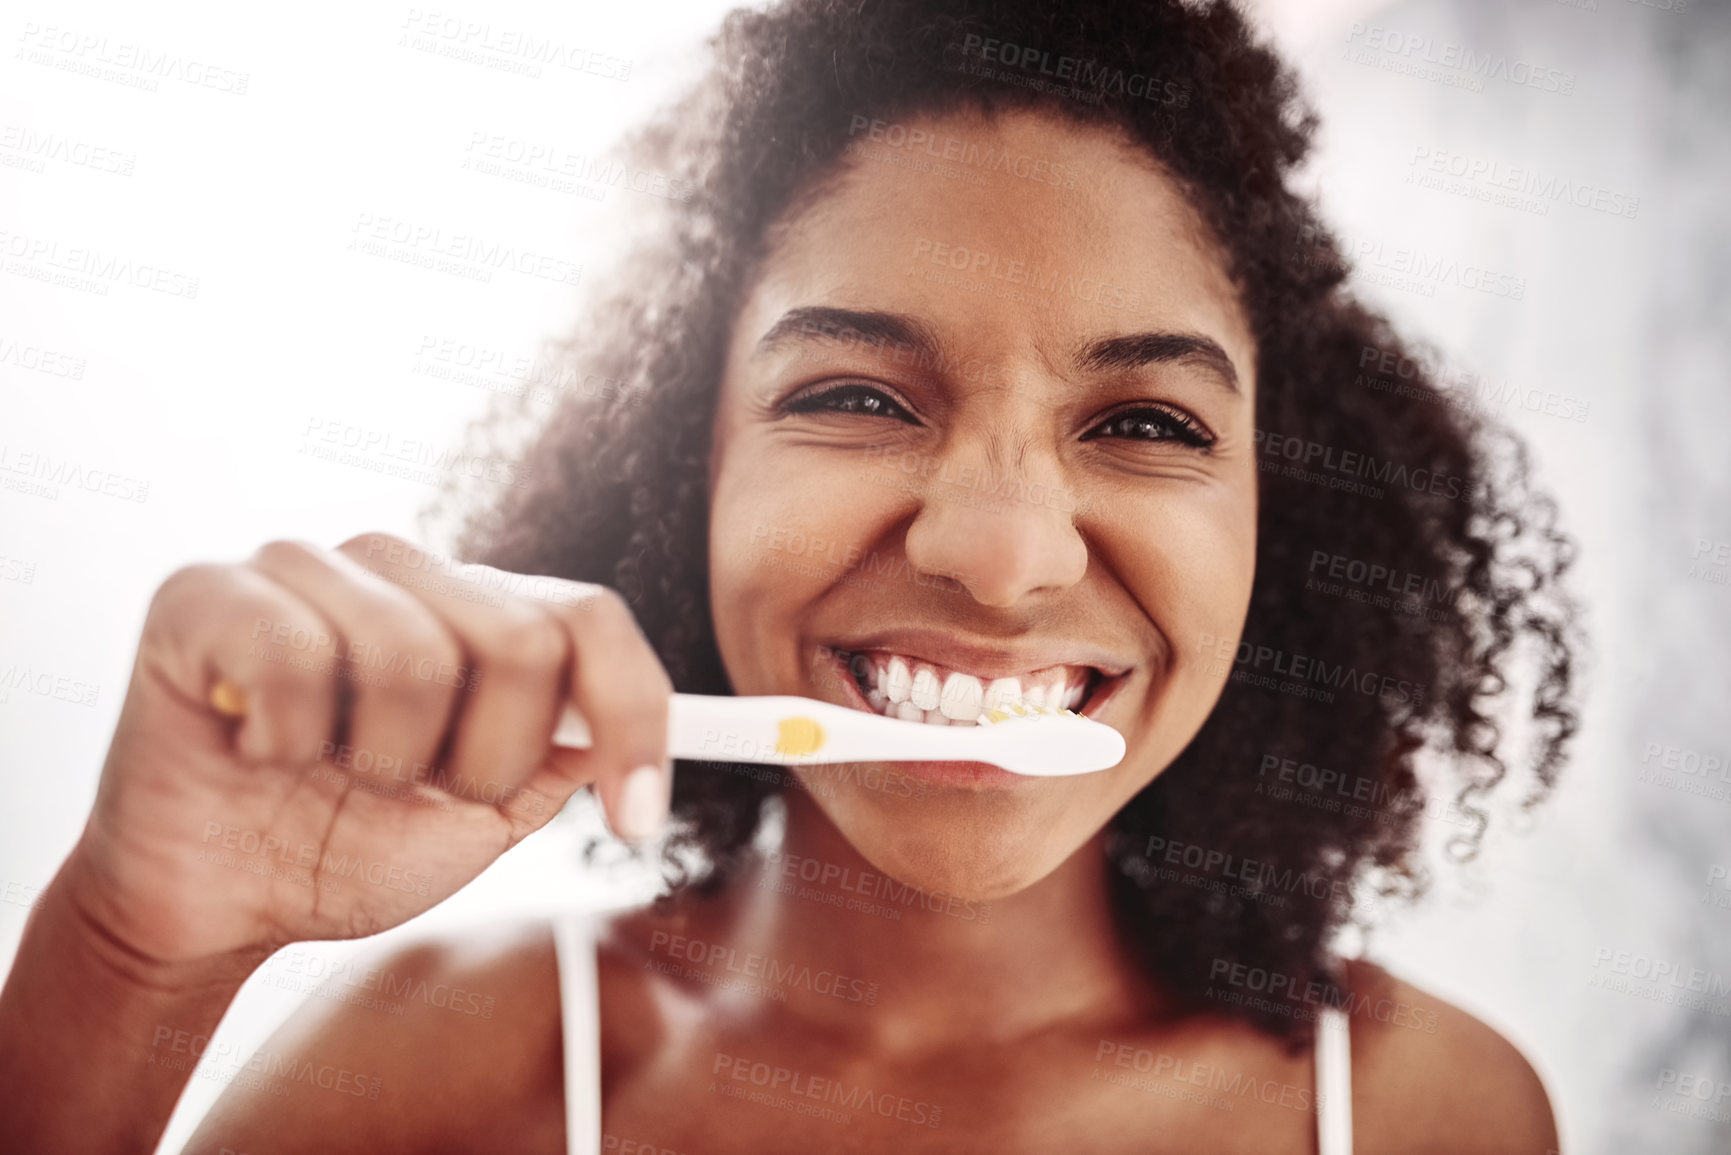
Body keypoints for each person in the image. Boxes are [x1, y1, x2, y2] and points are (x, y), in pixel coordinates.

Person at [0, 0, 1579, 1151]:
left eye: (1147, 422)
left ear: (1274, 520)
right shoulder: (432, 1077)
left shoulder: (1428, 1110)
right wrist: (137, 955)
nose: (1004, 555)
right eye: (855, 397)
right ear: (682, 471)